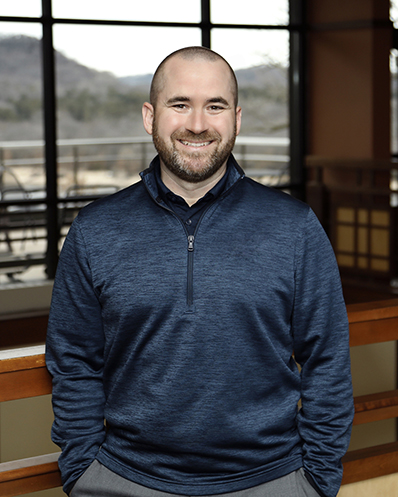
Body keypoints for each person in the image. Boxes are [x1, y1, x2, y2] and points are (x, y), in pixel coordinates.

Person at [46, 46, 354, 497]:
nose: (197, 123)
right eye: (179, 104)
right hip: (124, 479)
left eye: (215, 106)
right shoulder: (96, 230)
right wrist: (81, 470)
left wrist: (318, 481)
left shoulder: (294, 227)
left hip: (273, 480)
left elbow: (327, 357)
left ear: (237, 118)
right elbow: (73, 359)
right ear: (150, 116)